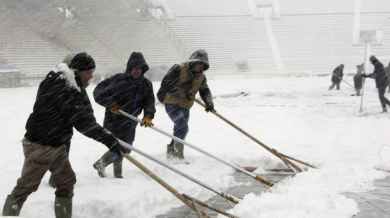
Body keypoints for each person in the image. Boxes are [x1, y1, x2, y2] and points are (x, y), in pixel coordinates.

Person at [2, 52, 125, 217]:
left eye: (92, 71)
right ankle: (9, 214)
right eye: (88, 72)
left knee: (66, 182)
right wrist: (109, 140)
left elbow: (84, 116)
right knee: (26, 186)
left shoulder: (68, 83)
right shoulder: (65, 88)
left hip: (55, 143)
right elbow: (83, 123)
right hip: (41, 144)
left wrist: (109, 139)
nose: (91, 76)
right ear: (77, 71)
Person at [92, 52, 156, 178]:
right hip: (114, 120)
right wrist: (110, 103)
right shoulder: (118, 79)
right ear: (129, 68)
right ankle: (117, 174)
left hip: (130, 121)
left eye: (139, 68)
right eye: (134, 68)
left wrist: (148, 115)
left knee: (127, 148)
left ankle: (102, 163)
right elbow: (97, 92)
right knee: (119, 147)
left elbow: (149, 102)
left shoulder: (146, 84)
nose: (137, 71)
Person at [157, 49, 215, 164]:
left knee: (179, 129)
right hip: (171, 103)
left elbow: (204, 90)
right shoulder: (177, 68)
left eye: (202, 65)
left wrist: (209, 103)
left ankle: (171, 153)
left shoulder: (201, 77)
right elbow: (166, 84)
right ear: (193, 62)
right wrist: (184, 93)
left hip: (186, 105)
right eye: (199, 64)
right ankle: (178, 156)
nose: (200, 67)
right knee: (182, 127)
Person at [48, 53, 75, 188]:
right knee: (57, 154)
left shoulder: (70, 82)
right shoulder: (57, 81)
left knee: (63, 153)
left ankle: (56, 179)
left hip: (63, 126)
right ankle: (55, 179)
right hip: (54, 125)